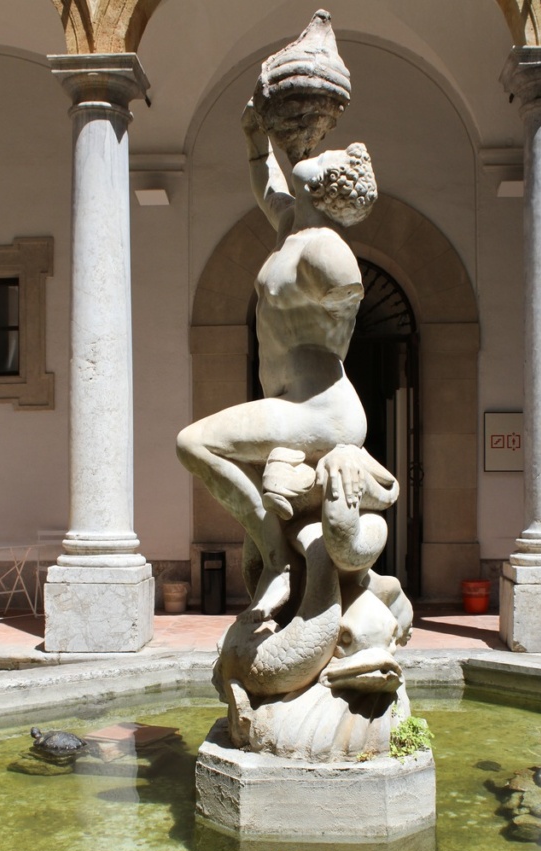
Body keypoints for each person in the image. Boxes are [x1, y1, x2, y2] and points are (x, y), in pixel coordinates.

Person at [176, 102, 377, 620]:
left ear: (323, 187)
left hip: (320, 409)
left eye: (320, 156)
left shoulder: (326, 250)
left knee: (194, 442)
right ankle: (277, 554)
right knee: (200, 446)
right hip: (293, 403)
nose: (310, 150)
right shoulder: (292, 226)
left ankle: (277, 558)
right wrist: (252, 136)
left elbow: (347, 293)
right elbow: (266, 185)